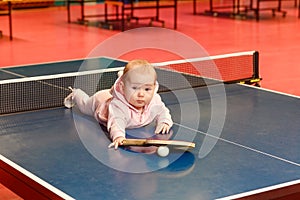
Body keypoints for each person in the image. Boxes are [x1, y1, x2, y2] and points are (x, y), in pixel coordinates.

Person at [64, 59, 173, 150]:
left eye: (147, 89)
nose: (141, 94)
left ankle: (124, 77)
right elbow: (116, 123)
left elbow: (163, 111)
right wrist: (119, 137)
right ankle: (76, 94)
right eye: (135, 88)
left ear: (154, 87)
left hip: (120, 91)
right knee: (84, 106)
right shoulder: (118, 106)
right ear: (122, 87)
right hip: (101, 101)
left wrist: (164, 122)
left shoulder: (154, 100)